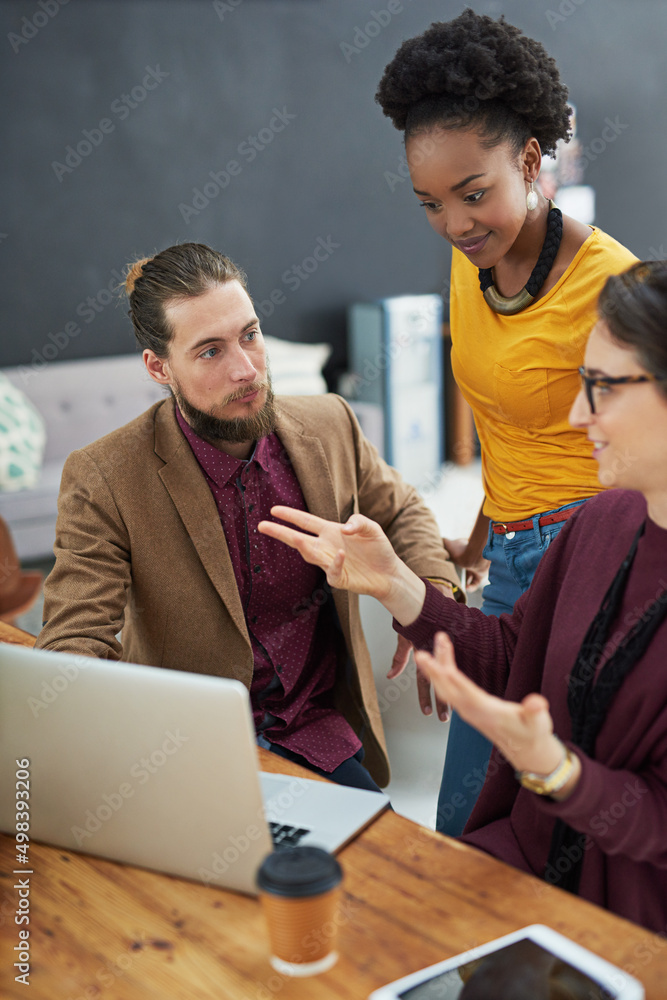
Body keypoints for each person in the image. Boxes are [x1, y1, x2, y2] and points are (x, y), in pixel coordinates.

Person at [257, 259, 667, 932]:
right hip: (524, 864)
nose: (574, 413)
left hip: (628, 925)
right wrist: (395, 583)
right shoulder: (600, 520)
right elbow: (511, 653)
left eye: (599, 387)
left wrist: (554, 770)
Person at [35, 242, 460, 792]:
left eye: (250, 335)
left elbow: (402, 508)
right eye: (210, 352)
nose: (245, 369)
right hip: (184, 758)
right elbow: (74, 641)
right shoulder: (104, 476)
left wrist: (431, 601)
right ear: (159, 367)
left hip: (318, 734)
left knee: (375, 867)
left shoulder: (330, 422)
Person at [374, 9, 637, 833]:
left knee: (551, 805)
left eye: (473, 194)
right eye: (429, 204)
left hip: (596, 558)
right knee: (471, 811)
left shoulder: (612, 288)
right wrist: (479, 553)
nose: (454, 223)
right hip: (516, 558)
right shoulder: (471, 261)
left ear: (530, 159)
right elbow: (508, 432)